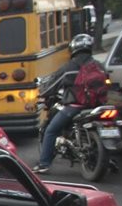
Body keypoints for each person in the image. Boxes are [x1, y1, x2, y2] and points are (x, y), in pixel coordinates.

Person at [34, 34, 99, 174]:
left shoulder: (70, 67)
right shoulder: (99, 65)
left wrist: (43, 93)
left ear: (74, 49)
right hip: (97, 107)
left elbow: (53, 85)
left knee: (51, 131)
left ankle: (44, 163)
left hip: (75, 107)